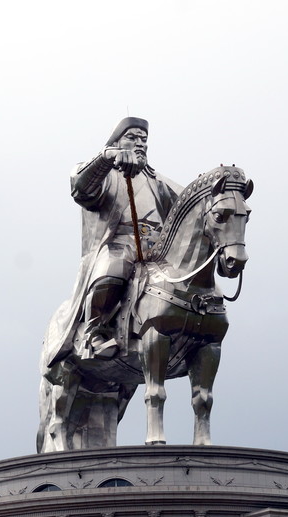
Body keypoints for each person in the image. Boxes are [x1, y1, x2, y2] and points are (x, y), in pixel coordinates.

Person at [48, 117, 181, 363]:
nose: (140, 143)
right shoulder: (107, 173)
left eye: (144, 139)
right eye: (132, 137)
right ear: (116, 141)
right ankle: (94, 332)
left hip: (159, 250)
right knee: (114, 267)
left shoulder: (158, 181)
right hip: (120, 243)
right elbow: (81, 188)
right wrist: (106, 158)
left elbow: (189, 205)